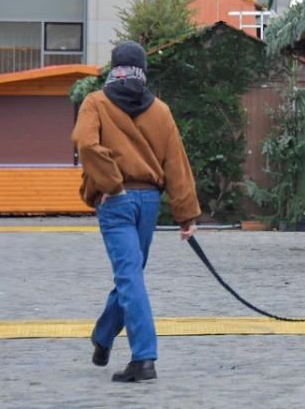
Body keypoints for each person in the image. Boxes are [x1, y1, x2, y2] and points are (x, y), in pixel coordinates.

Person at [72, 41, 201, 383]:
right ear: (144, 70)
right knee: (132, 276)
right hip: (148, 202)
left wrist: (111, 184)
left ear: (113, 67)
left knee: (129, 276)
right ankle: (103, 336)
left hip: (116, 202)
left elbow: (85, 144)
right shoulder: (160, 110)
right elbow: (177, 163)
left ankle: (143, 357)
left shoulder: (95, 103)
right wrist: (186, 216)